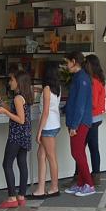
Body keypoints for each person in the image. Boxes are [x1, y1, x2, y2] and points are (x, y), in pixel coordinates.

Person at [0, 71, 33, 209]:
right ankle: (21, 196)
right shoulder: (24, 96)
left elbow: (20, 120)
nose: (9, 82)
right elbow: (15, 110)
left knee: (7, 164)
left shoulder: (17, 98)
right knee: (22, 163)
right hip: (25, 135)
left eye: (11, 80)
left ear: (18, 82)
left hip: (16, 135)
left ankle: (11, 197)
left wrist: (5, 113)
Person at [63, 52, 96, 193]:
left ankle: (89, 184)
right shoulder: (77, 77)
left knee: (77, 153)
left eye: (67, 62)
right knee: (78, 152)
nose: (66, 65)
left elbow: (81, 105)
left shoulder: (82, 78)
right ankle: (82, 183)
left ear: (74, 61)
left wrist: (74, 125)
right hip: (75, 121)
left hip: (80, 122)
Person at [31, 61, 61, 199]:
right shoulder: (57, 87)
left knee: (50, 157)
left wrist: (39, 131)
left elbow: (45, 112)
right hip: (54, 125)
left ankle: (54, 187)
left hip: (48, 127)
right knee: (42, 155)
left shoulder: (47, 89)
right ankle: (41, 188)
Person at [85, 54, 106, 183]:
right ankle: (95, 174)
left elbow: (92, 103)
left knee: (82, 149)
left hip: (90, 118)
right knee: (93, 148)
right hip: (97, 117)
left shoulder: (92, 82)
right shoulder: (100, 80)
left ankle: (90, 175)